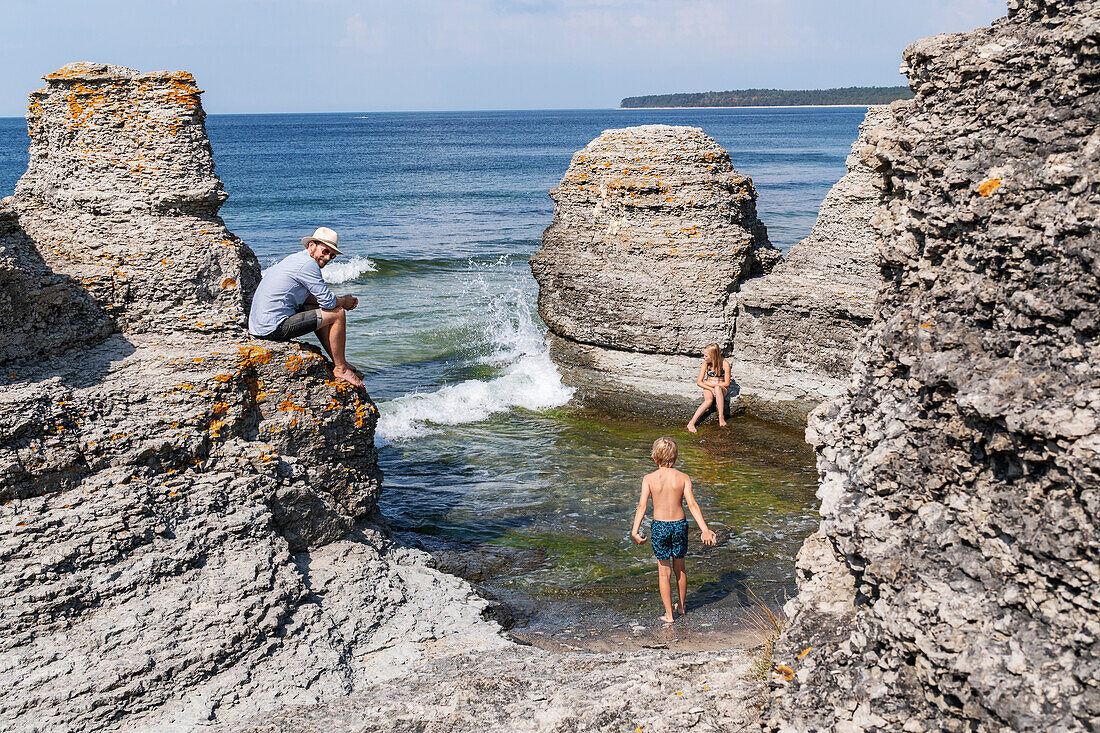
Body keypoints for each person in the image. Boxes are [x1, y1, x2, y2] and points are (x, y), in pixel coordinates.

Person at [248, 226, 363, 388]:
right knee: (338, 313)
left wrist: (334, 300)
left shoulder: (297, 259)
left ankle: (339, 360)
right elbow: (328, 302)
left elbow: (314, 299)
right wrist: (344, 301)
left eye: (332, 255)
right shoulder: (309, 265)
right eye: (325, 251)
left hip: (259, 326)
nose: (328, 257)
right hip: (272, 328)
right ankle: (341, 368)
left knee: (319, 308)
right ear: (311, 246)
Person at [630, 437, 717, 623]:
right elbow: (692, 505)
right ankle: (682, 607)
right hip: (679, 525)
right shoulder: (683, 478)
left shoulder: (649, 479)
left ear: (655, 458)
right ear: (675, 457)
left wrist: (635, 530)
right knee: (680, 568)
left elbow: (642, 507)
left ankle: (669, 615)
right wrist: (705, 529)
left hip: (660, 526)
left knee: (664, 572)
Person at [686, 342, 731, 433]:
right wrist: (711, 389)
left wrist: (714, 386)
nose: (704, 357)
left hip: (721, 388)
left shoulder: (725, 364)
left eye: (706, 356)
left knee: (718, 388)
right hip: (708, 388)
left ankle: (721, 417)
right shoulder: (705, 364)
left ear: (713, 356)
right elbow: (699, 382)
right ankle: (691, 422)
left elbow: (726, 383)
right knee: (709, 401)